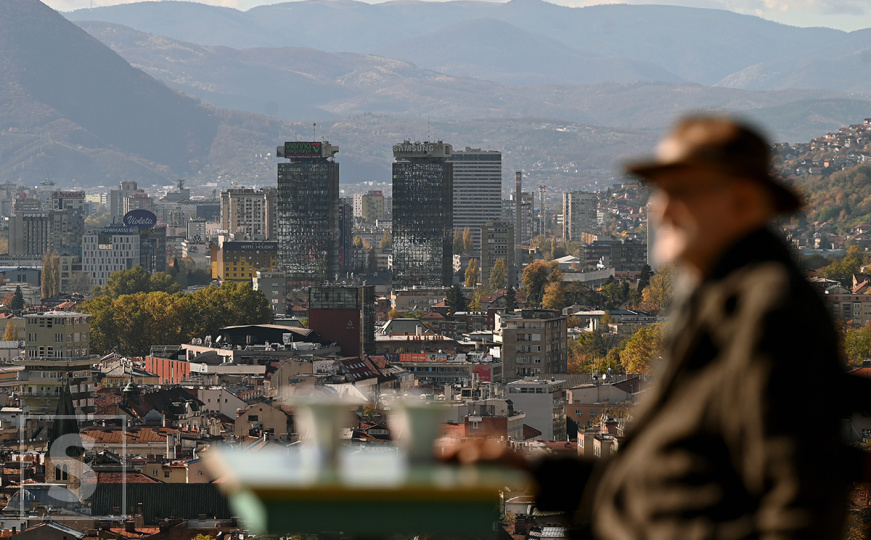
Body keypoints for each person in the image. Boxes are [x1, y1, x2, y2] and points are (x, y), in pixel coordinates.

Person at [454, 115, 856, 539]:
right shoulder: (715, 300)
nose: (661, 208)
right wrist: (529, 471)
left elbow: (800, 495)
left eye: (682, 191)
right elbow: (655, 481)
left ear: (742, 201)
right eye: (661, 191)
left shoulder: (769, 309)